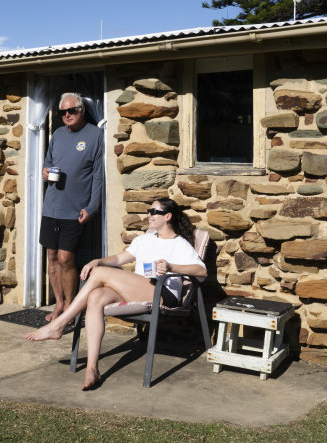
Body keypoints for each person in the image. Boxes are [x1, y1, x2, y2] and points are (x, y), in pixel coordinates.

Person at [24, 198, 207, 390]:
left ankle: (58, 325)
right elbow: (120, 258)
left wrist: (171, 267)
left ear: (167, 216)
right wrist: (98, 260)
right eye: (148, 211)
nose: (148, 215)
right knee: (96, 297)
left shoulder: (179, 244)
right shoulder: (144, 240)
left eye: (153, 212)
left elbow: (201, 271)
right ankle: (92, 369)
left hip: (162, 293)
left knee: (100, 273)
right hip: (138, 290)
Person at [39, 92, 104, 322]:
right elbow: (47, 162)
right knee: (52, 256)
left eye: (71, 110)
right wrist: (45, 171)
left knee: (67, 258)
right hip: (51, 207)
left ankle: (70, 305)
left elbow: (98, 176)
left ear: (82, 110)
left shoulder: (95, 135)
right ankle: (58, 304)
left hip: (75, 209)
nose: (67, 115)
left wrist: (92, 206)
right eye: (63, 112)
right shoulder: (56, 134)